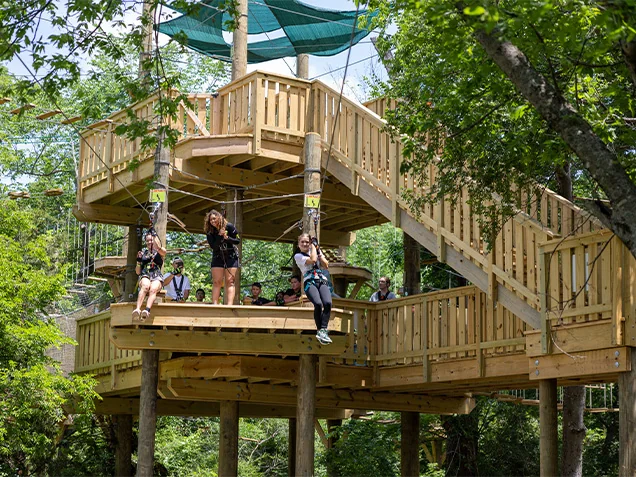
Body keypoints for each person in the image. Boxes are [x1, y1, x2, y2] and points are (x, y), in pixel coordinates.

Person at [294, 233, 332, 345]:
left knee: (328, 303)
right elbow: (313, 260)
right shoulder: (298, 256)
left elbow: (326, 265)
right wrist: (314, 247)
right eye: (302, 242)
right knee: (318, 304)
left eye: (307, 242)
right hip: (310, 281)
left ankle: (323, 330)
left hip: (321, 279)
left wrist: (319, 251)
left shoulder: (315, 251)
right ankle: (320, 330)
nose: (305, 244)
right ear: (299, 245)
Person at [204, 209, 240, 305]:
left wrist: (227, 238)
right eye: (211, 220)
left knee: (230, 281)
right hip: (218, 255)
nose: (213, 221)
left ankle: (229, 304)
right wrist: (220, 236)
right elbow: (214, 246)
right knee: (217, 281)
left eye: (214, 219)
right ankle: (215, 303)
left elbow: (237, 240)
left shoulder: (229, 226)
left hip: (231, 255)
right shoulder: (210, 232)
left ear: (219, 218)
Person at [133, 229, 167, 320]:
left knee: (153, 289)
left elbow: (162, 251)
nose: (149, 242)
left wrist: (155, 237)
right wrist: (138, 261)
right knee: (145, 285)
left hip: (156, 275)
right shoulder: (144, 253)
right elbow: (137, 272)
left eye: (151, 240)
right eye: (147, 241)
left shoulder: (160, 252)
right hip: (145, 274)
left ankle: (147, 310)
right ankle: (137, 309)